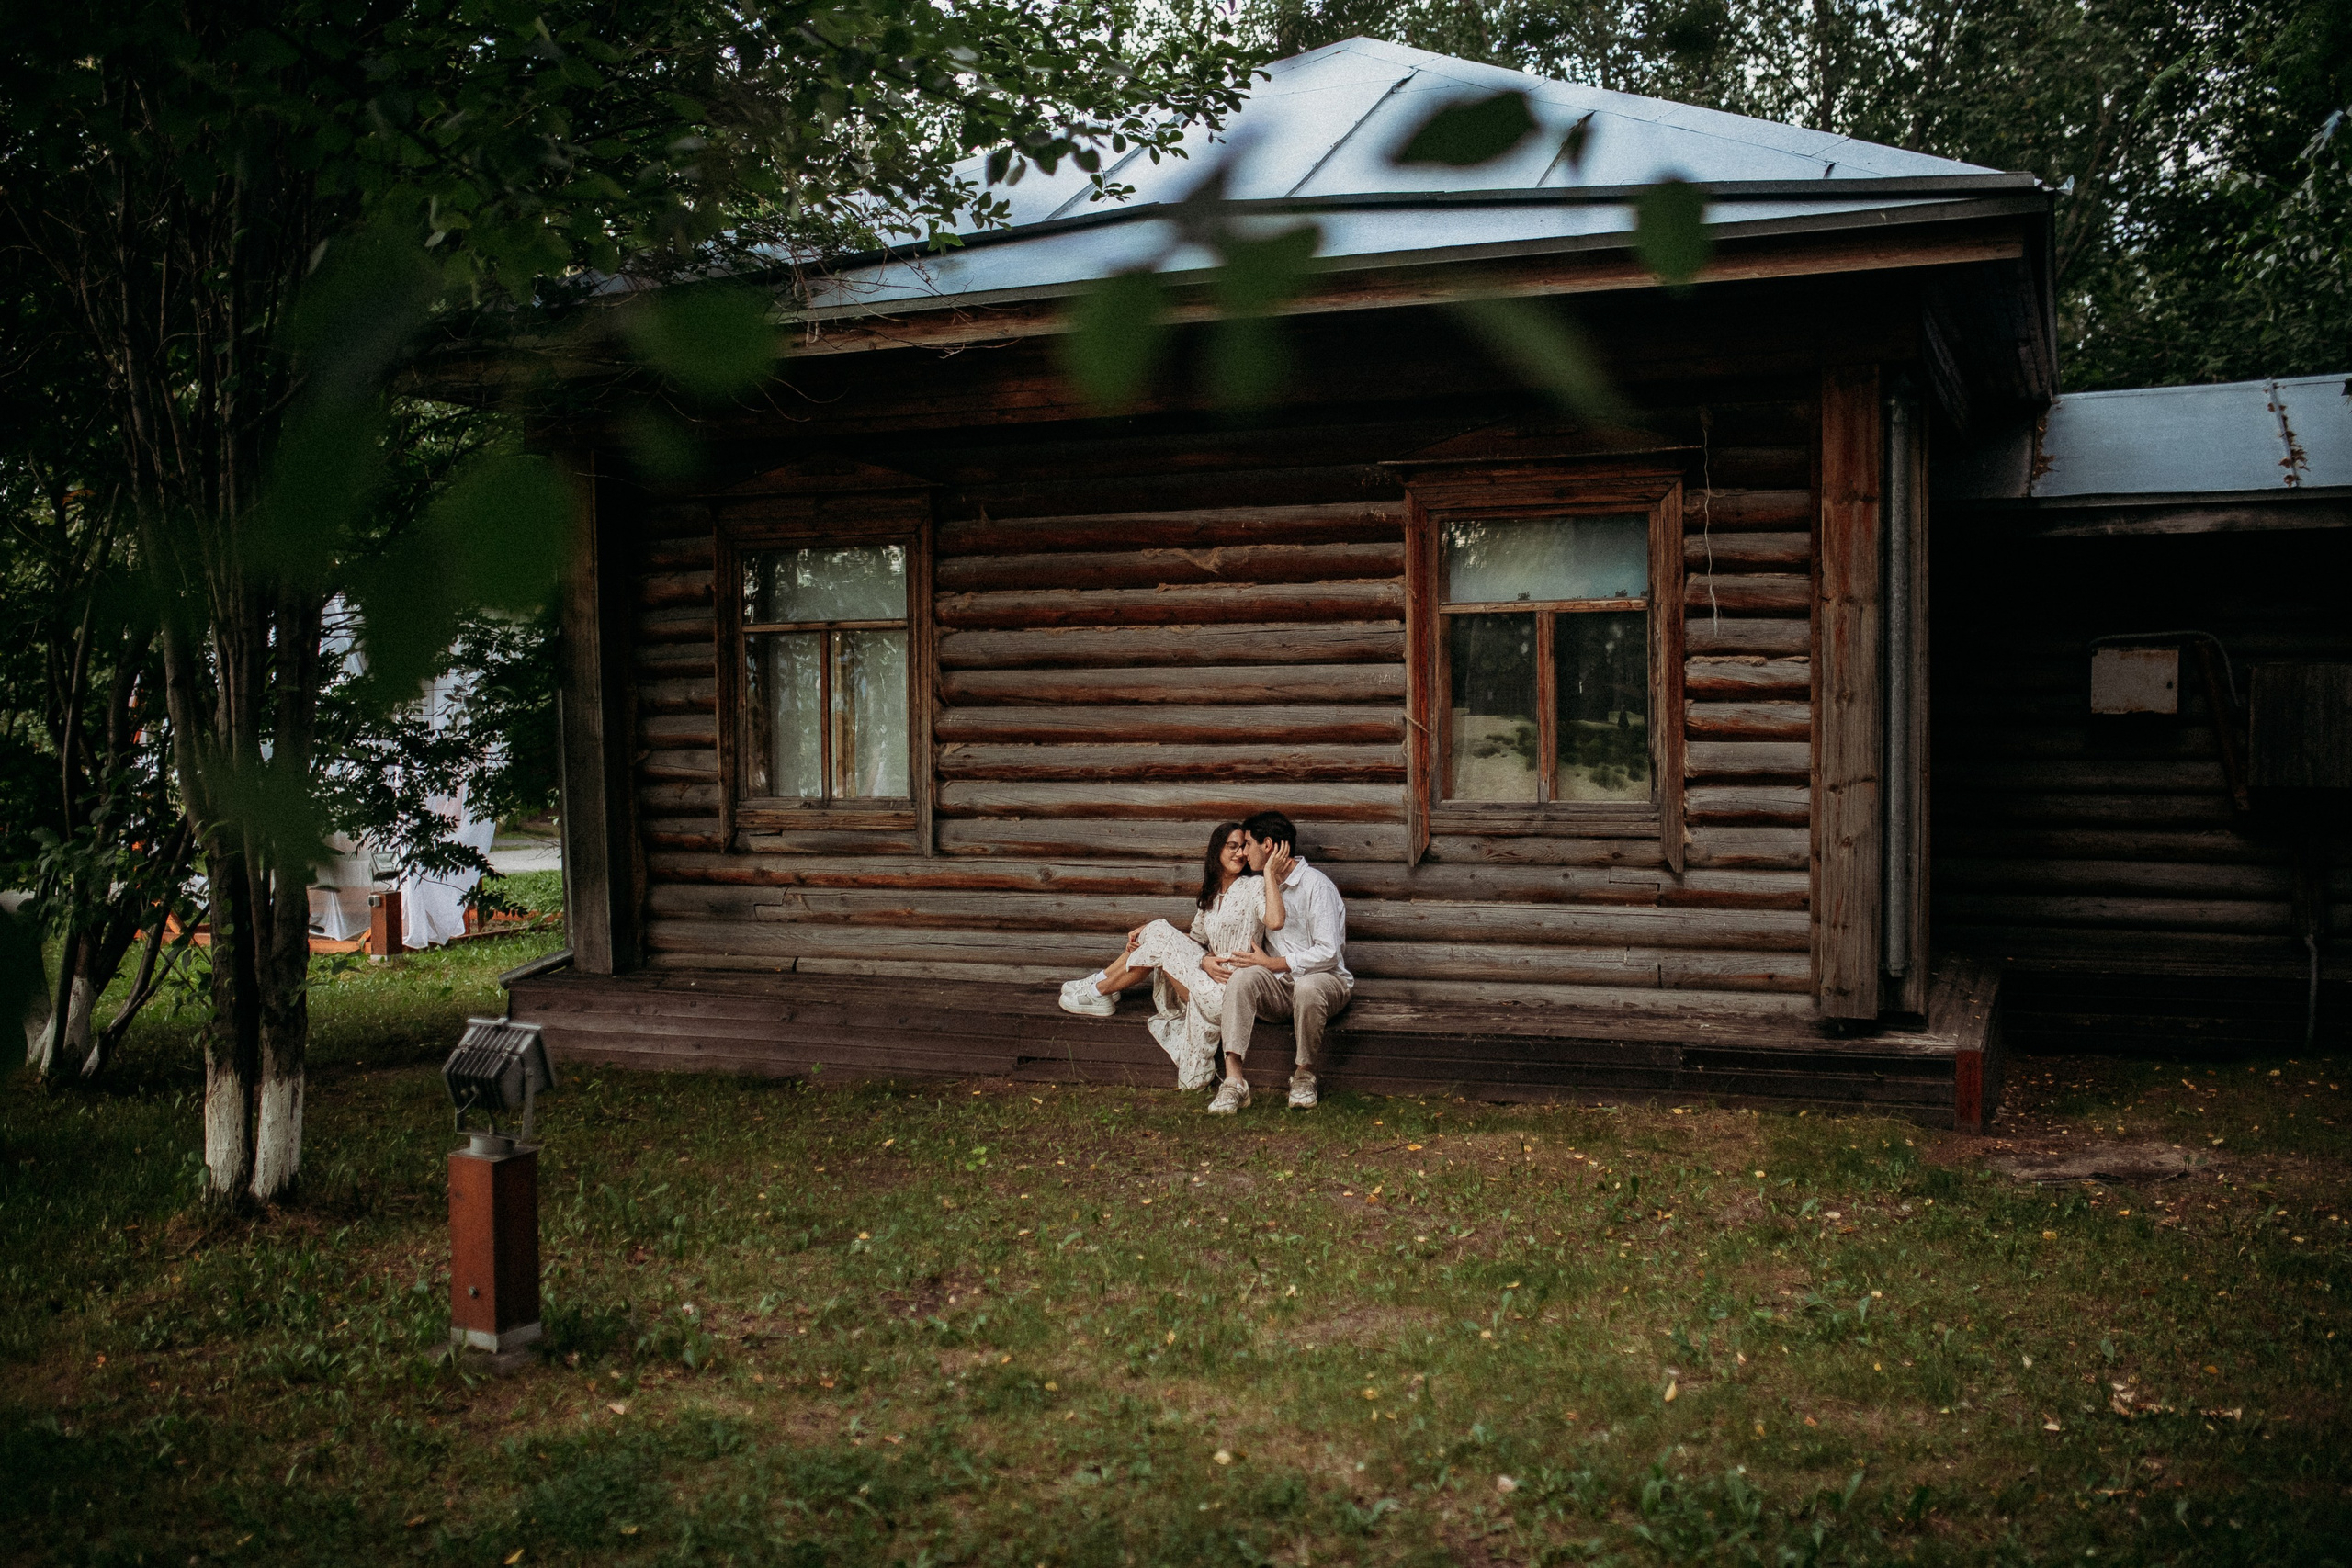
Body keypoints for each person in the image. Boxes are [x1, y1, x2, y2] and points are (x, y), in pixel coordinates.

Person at [1054, 822, 1285, 1090]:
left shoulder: (1253, 886)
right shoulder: (1212, 894)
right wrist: (1158, 939)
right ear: (1216, 851)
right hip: (1206, 978)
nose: (1240, 854)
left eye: (1243, 847)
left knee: (1159, 930)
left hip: (1229, 992)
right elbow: (1195, 941)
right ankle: (1100, 987)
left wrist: (1268, 872)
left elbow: (1275, 920)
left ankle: (1099, 989)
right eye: (1232, 846)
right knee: (1156, 931)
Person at [1203, 810, 1351, 1114]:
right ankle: (1234, 1083)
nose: (1242, 853)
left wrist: (1273, 964)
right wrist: (1206, 958)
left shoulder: (1316, 886)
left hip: (1326, 982)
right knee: (1242, 978)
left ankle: (1303, 1075)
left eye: (1246, 844)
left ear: (1267, 845)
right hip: (1281, 989)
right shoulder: (1259, 886)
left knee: (1308, 987)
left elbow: (1329, 954)